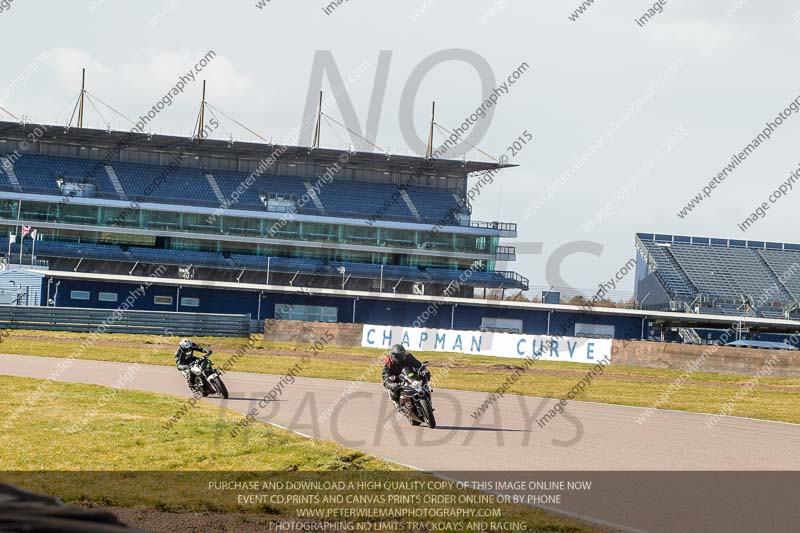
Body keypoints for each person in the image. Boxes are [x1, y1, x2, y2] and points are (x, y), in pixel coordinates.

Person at [382, 344, 426, 410]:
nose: (402, 357)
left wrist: (423, 370)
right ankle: (395, 400)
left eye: (403, 354)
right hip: (397, 377)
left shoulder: (408, 356)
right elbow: (385, 380)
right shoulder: (388, 363)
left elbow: (418, 364)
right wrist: (393, 385)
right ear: (394, 356)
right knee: (394, 387)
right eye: (400, 355)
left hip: (409, 374)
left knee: (424, 376)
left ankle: (426, 392)